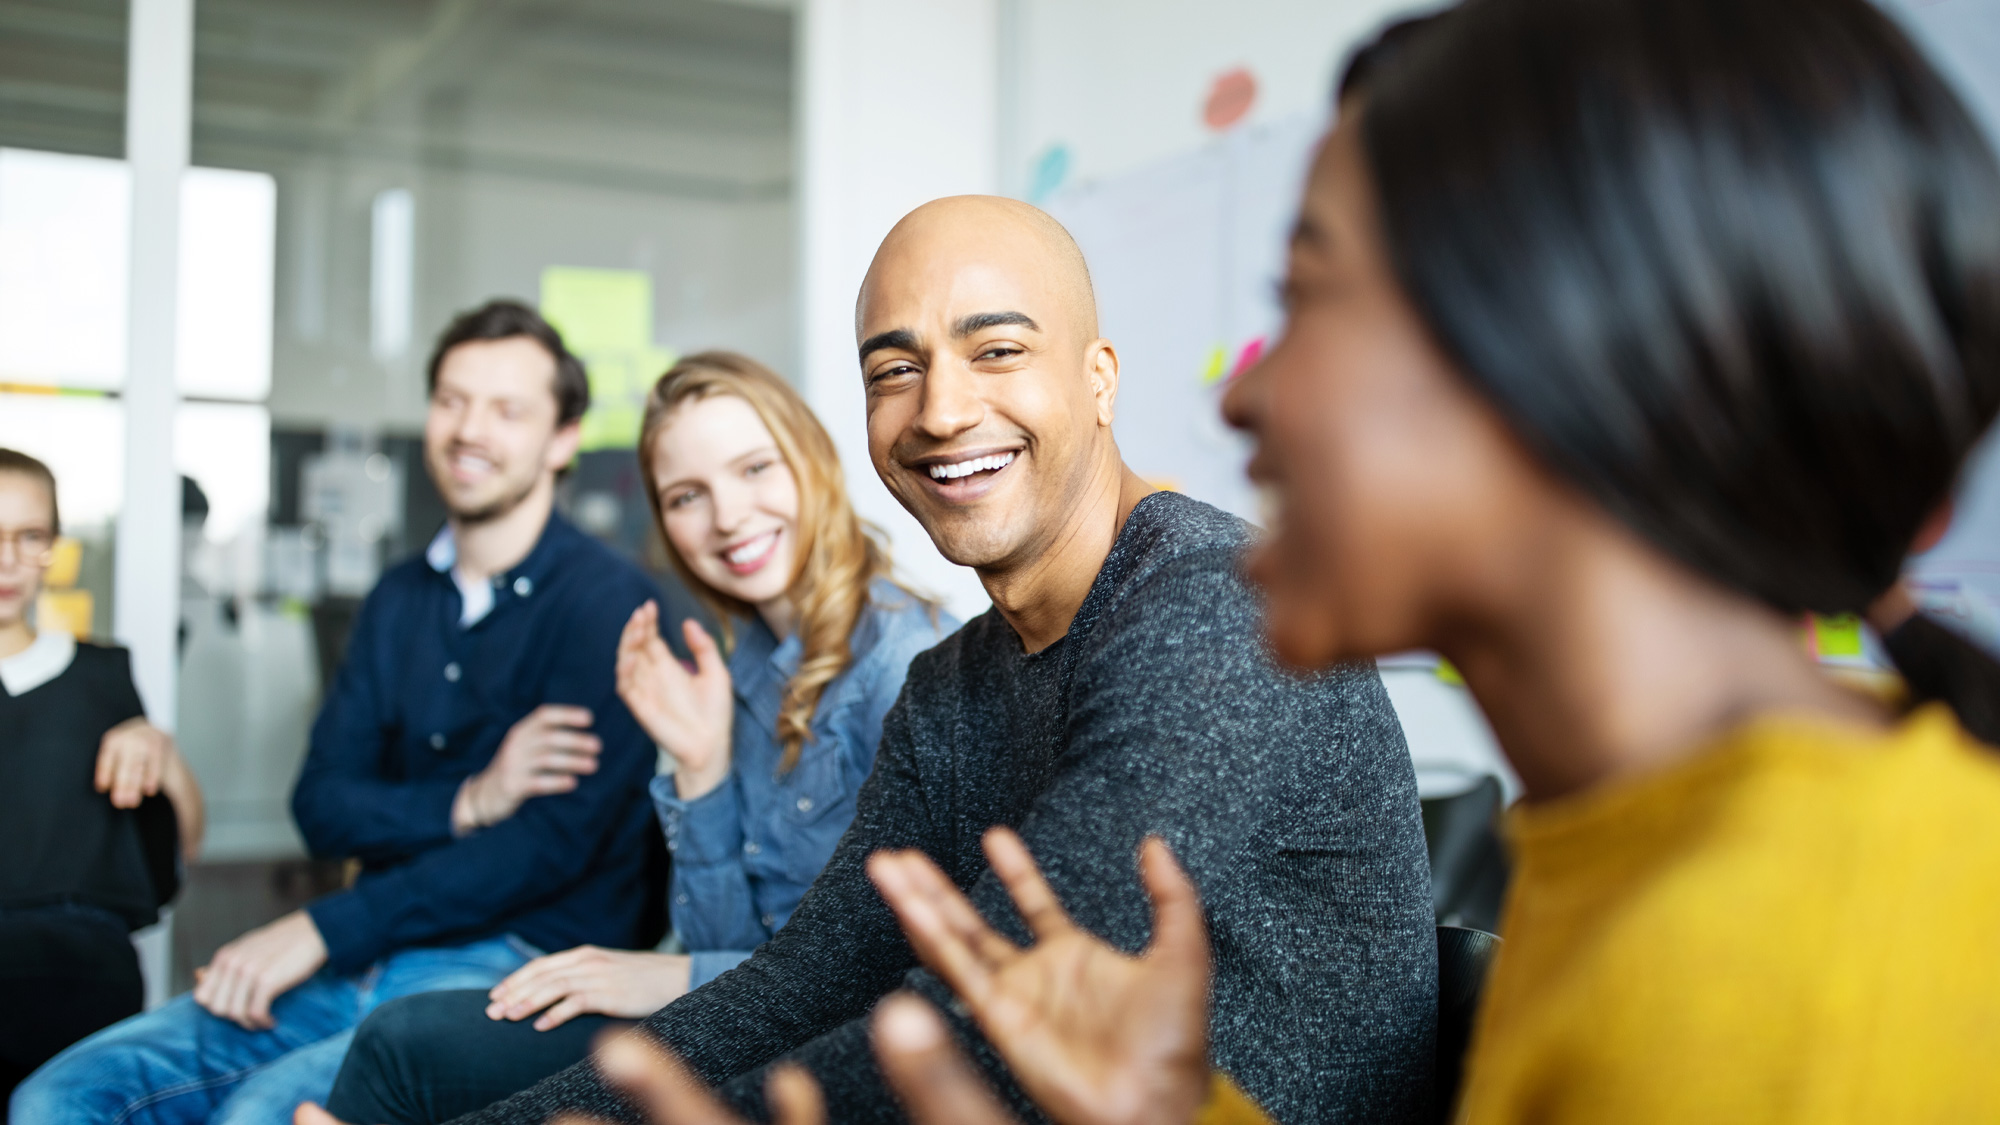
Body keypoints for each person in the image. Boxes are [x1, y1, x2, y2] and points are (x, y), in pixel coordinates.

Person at [859, 0, 2000, 1121]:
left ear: (1553, 363)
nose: (1240, 392)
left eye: (1307, 298)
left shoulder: (1785, 978)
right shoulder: (1640, 843)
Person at [432, 196, 1436, 1125]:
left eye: (995, 350)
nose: (941, 411)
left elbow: (998, 1015)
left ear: (1098, 378)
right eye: (893, 371)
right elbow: (808, 979)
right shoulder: (948, 686)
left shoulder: (1212, 607)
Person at [14, 300, 677, 1124]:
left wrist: (323, 927)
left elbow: (543, 849)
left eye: (507, 410)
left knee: (260, 1112)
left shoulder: (608, 606)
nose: (470, 429)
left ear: (562, 438)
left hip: (509, 964)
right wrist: (468, 800)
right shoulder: (397, 598)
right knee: (59, 1096)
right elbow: (322, 804)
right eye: (452, 400)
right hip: (371, 945)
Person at [317, 351, 958, 1124]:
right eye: (688, 495)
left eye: (755, 468)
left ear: (812, 462)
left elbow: (907, 970)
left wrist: (671, 976)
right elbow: (730, 937)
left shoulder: (910, 666)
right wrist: (702, 766)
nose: (726, 516)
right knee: (406, 1041)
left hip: (840, 1058)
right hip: (741, 1027)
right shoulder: (743, 666)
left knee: (402, 1049)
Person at [0, 450, 205, 1112]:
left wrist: (160, 752)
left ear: (52, 549)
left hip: (77, 971)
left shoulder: (101, 676)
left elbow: (183, 849)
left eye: (29, 537)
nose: (7, 559)